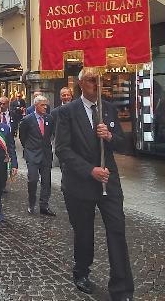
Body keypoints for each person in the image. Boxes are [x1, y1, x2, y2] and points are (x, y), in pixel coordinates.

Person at [55, 68, 134, 300]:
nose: (96, 84)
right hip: (80, 183)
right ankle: (81, 271)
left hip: (109, 182)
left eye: (100, 80)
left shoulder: (108, 108)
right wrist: (90, 170)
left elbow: (122, 145)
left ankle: (121, 287)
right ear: (81, 83)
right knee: (84, 232)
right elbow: (62, 150)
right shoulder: (67, 112)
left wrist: (110, 137)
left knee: (117, 231)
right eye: (91, 80)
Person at [19, 95, 55, 216]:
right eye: (42, 105)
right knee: (33, 179)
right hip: (32, 154)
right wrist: (29, 148)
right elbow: (22, 137)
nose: (45, 107)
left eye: (46, 105)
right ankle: (31, 203)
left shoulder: (49, 119)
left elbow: (50, 134)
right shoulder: (27, 119)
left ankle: (44, 205)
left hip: (45, 154)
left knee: (46, 181)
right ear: (36, 106)